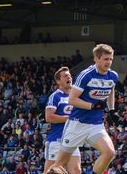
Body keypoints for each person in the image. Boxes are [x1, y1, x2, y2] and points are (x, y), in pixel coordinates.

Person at [47, 44, 119, 174]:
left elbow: (111, 89)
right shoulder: (85, 75)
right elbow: (72, 100)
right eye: (105, 59)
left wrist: (112, 109)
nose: (108, 62)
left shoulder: (113, 76)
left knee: (109, 152)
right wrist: (92, 106)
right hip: (76, 124)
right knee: (59, 166)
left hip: (96, 125)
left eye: (110, 59)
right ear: (96, 59)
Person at [44, 66, 82, 174]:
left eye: (69, 75)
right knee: (49, 171)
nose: (68, 77)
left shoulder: (75, 97)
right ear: (58, 81)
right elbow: (49, 117)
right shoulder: (55, 96)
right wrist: (69, 119)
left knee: (76, 170)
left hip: (72, 139)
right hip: (57, 140)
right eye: (65, 76)